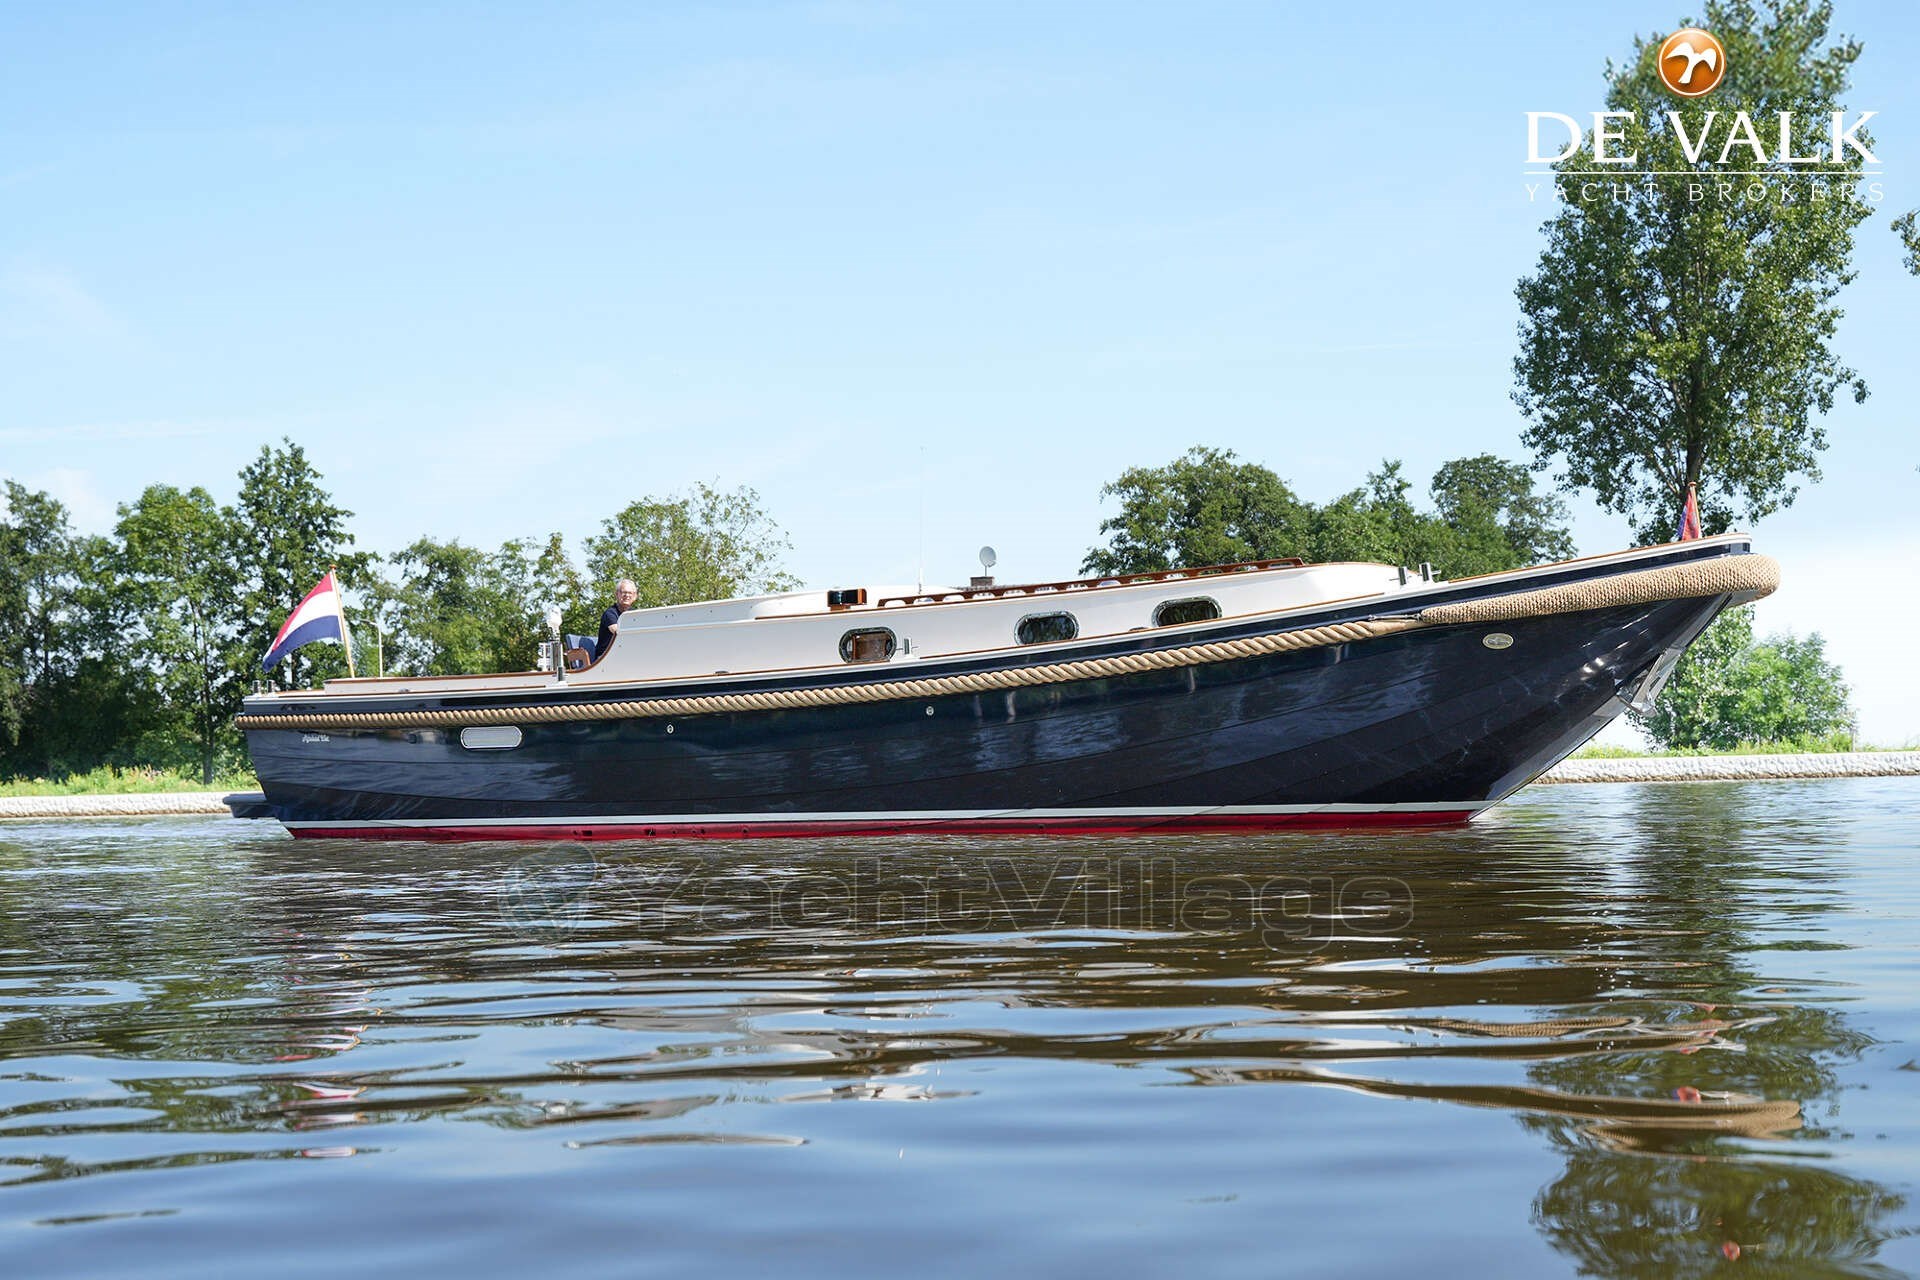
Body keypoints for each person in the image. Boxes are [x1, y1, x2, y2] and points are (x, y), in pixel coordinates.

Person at [598, 579, 638, 657]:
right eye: (624, 592)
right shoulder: (610, 613)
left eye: (630, 593)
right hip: (606, 657)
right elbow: (619, 633)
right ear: (617, 594)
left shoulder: (635, 614)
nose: (627, 595)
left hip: (625, 654)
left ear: (635, 596)